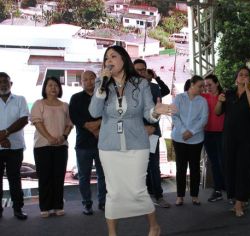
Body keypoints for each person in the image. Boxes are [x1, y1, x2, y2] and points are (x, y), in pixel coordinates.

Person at [89, 45, 174, 236]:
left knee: (137, 190)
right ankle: (112, 233)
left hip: (137, 143)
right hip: (109, 145)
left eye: (113, 56)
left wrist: (155, 112)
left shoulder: (140, 83)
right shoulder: (101, 83)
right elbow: (94, 112)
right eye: (106, 58)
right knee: (114, 192)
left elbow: (148, 114)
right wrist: (102, 85)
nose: (109, 61)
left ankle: (154, 226)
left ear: (124, 59)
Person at [215, 66, 250, 217]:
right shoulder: (228, 94)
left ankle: (240, 203)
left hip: (247, 138)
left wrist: (247, 88)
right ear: (236, 78)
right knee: (230, 168)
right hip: (229, 137)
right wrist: (220, 101)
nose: (243, 77)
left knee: (243, 168)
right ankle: (236, 201)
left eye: (246, 75)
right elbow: (217, 112)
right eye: (241, 75)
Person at [30, 76, 73, 218]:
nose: (53, 88)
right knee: (44, 177)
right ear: (45, 88)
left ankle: (58, 206)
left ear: (59, 88)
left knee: (58, 177)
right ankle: (45, 207)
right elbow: (37, 122)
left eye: (56, 85)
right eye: (50, 85)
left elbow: (69, 124)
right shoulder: (38, 104)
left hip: (61, 146)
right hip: (42, 146)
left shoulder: (65, 105)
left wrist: (63, 137)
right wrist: (50, 138)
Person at [133, 59, 171, 208]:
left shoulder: (155, 88)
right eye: (136, 70)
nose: (139, 73)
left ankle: (158, 196)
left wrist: (150, 126)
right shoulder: (125, 88)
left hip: (152, 132)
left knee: (154, 165)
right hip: (133, 133)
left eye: (142, 70)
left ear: (146, 71)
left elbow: (158, 109)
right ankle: (137, 198)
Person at [69, 70, 106, 215]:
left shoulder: (103, 96)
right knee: (84, 176)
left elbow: (110, 114)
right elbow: (74, 117)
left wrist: (98, 124)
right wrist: (90, 127)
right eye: (86, 79)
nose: (89, 81)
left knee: (103, 175)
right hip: (83, 144)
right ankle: (87, 204)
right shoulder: (76, 98)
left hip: (103, 142)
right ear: (81, 82)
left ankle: (103, 202)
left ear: (96, 80)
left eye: (92, 78)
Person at [172, 75, 208, 206]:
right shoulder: (179, 98)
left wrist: (191, 132)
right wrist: (183, 131)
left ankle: (194, 195)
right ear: (192, 84)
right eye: (200, 86)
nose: (202, 89)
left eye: (203, 86)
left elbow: (203, 119)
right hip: (179, 138)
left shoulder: (202, 101)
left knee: (194, 168)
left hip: (196, 139)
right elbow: (174, 116)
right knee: (180, 167)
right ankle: (180, 196)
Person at [0, 72, 29, 220]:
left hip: (15, 147)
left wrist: (5, 132)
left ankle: (18, 209)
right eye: (0, 82)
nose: (3, 84)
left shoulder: (20, 99)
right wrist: (1, 139)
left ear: (11, 84)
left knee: (15, 179)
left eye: (6, 81)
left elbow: (24, 119)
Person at [201, 74, 225, 202]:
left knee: (223, 162)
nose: (207, 87)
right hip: (208, 133)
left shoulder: (224, 96)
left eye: (210, 84)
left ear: (217, 83)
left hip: (222, 133)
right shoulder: (204, 97)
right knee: (214, 163)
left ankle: (230, 191)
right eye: (205, 85)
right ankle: (217, 190)